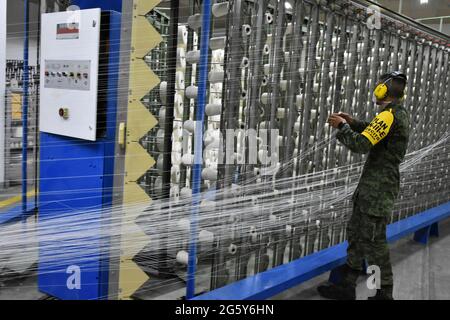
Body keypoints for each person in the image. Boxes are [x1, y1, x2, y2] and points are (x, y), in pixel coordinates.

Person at [318, 71, 410, 300]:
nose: (375, 88)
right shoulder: (392, 113)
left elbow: (361, 144)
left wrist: (342, 127)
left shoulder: (389, 116)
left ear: (383, 91)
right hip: (371, 188)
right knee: (358, 236)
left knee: (373, 243)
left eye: (378, 85)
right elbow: (372, 130)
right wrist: (353, 122)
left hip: (378, 190)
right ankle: (347, 286)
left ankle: (383, 292)